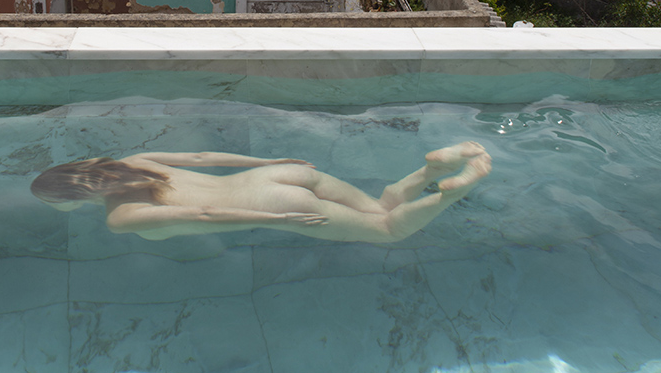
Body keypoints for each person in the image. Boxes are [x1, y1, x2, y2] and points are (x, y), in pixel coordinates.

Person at [30, 141, 491, 245]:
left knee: (389, 230)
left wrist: (276, 221)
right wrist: (270, 162)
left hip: (273, 204)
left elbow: (207, 215)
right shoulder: (133, 161)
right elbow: (203, 157)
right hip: (280, 177)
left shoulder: (120, 216)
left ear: (70, 199)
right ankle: (432, 167)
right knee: (381, 204)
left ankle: (452, 192)